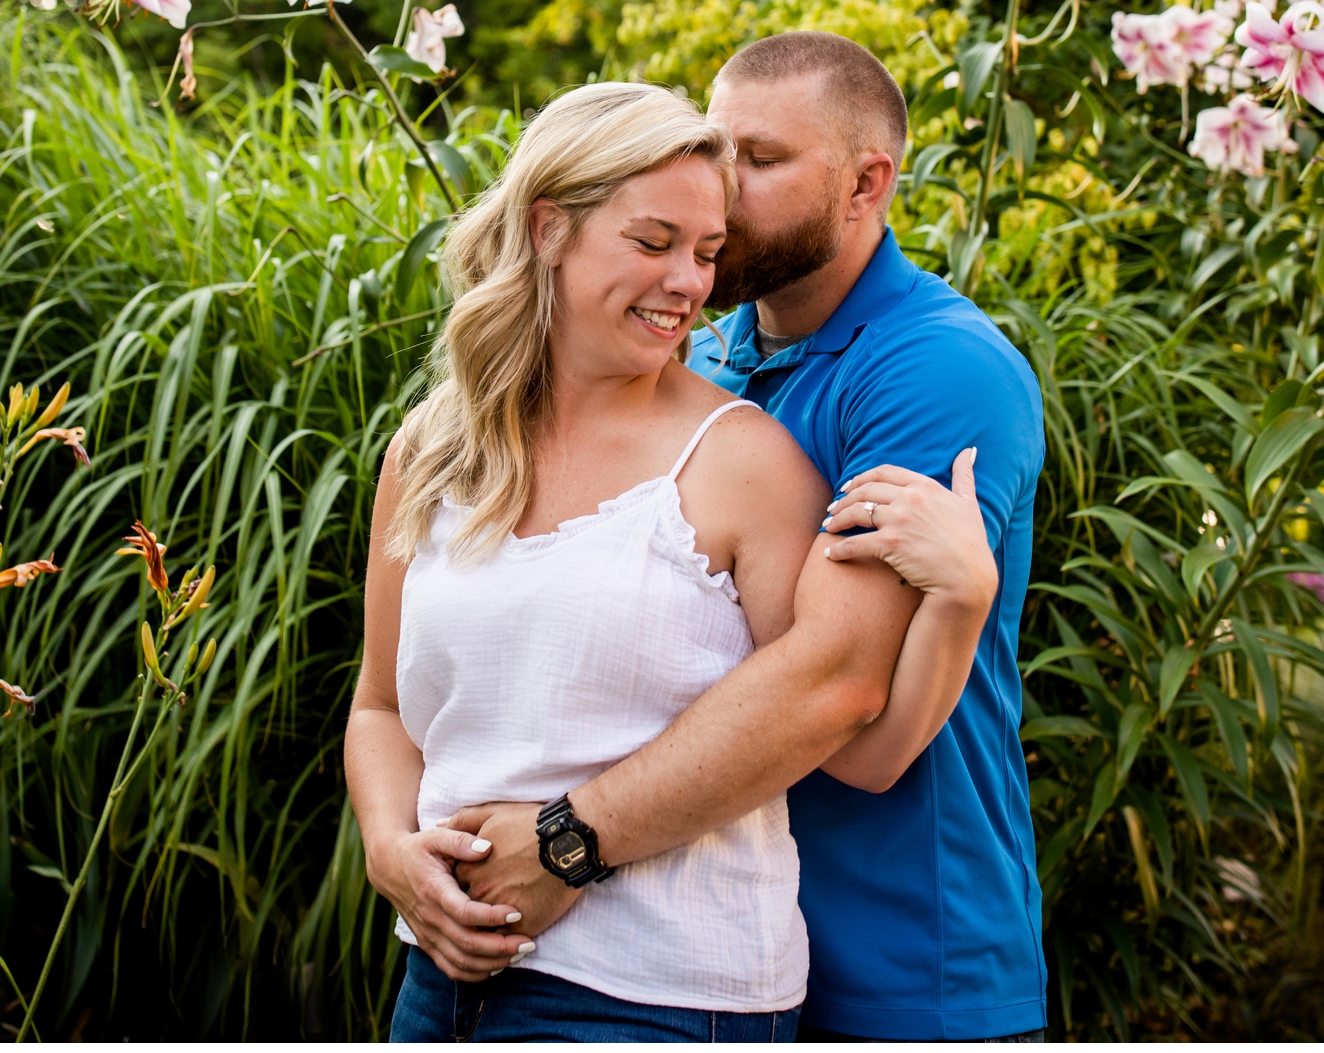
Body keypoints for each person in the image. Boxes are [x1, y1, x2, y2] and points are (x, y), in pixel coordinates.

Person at [349, 82, 986, 1041]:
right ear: (548, 228)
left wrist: (962, 597)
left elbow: (852, 726)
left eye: (707, 252)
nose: (689, 284)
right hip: (436, 979)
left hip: (657, 998)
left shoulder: (746, 465)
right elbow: (381, 707)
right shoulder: (434, 448)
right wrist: (390, 850)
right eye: (653, 243)